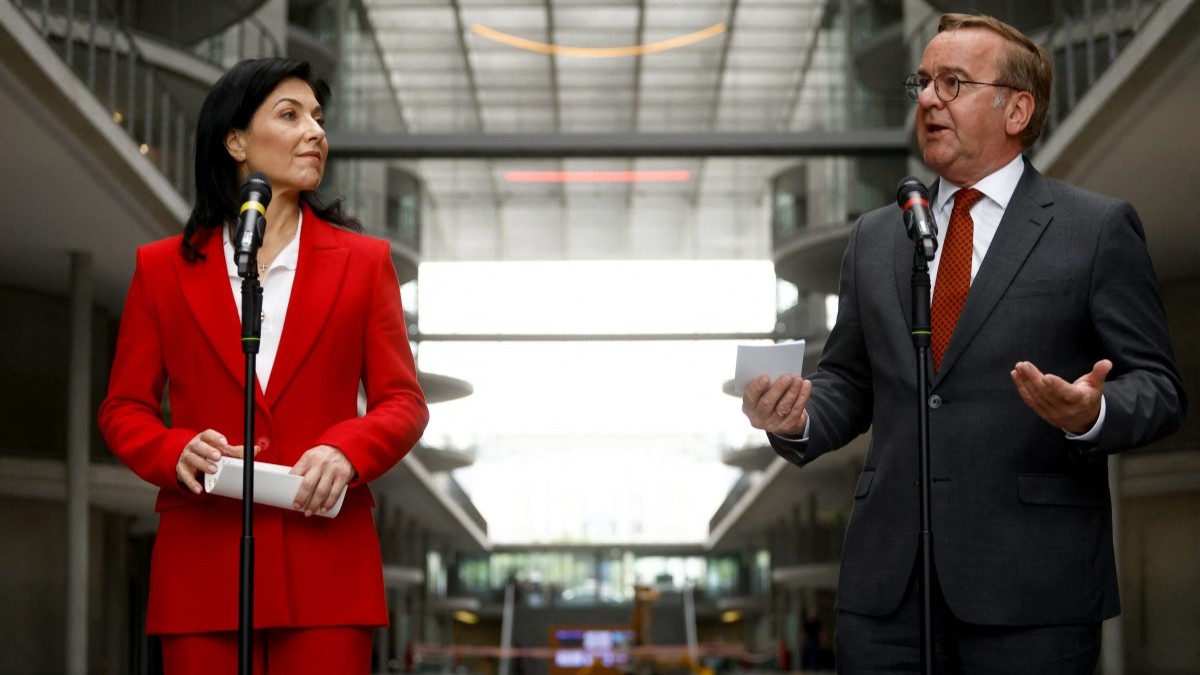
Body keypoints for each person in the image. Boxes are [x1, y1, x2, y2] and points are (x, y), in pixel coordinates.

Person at [742, 13, 1185, 674]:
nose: (926, 99)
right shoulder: (876, 237)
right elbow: (851, 382)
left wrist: (1089, 412)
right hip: (886, 593)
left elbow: (1159, 386)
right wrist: (798, 414)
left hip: (1033, 591)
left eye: (952, 83)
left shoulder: (1094, 228)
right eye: (922, 83)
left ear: (1017, 109)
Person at [98, 58, 429, 674]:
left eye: (319, 119)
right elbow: (123, 408)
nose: (316, 133)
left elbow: (403, 401)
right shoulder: (161, 269)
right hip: (203, 567)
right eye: (290, 115)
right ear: (235, 140)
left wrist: (348, 450)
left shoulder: (364, 263)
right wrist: (172, 450)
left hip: (328, 570)